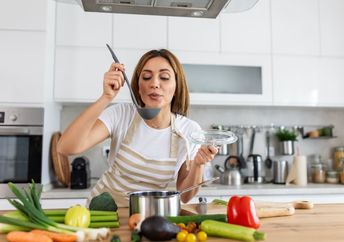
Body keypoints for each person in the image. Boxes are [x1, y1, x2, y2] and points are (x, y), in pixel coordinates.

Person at [57, 49, 218, 207]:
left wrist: (198, 165)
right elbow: (65, 147)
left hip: (146, 216)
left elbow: (185, 195)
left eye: (164, 77)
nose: (154, 83)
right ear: (138, 87)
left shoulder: (189, 130)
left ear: (177, 86)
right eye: (146, 77)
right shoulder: (121, 114)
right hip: (101, 213)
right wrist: (106, 97)